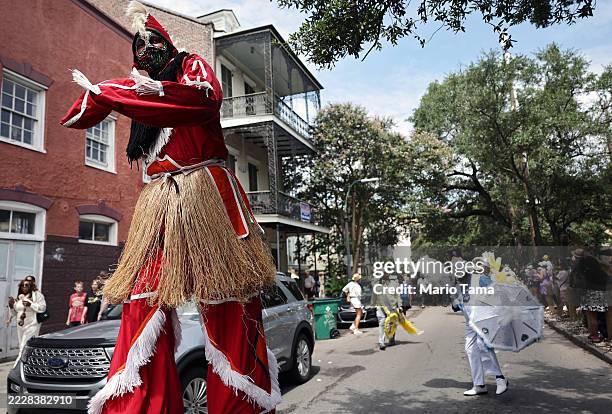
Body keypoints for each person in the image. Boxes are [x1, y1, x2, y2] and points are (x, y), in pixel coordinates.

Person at [61, 3, 279, 413]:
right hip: (159, 202)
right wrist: (103, 92)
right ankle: (143, 406)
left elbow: (205, 100)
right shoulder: (142, 97)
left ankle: (241, 404)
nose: (146, 53)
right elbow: (86, 112)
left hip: (207, 196)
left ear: (169, 44)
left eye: (153, 43)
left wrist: (146, 91)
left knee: (227, 302)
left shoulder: (190, 70)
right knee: (141, 300)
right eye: (138, 48)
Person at [453, 260, 508, 397]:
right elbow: (455, 306)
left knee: (482, 345)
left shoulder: (480, 279)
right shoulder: (458, 286)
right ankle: (479, 385)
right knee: (470, 350)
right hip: (470, 321)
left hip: (484, 318)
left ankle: (500, 379)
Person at [570, 249, 610, 343]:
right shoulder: (599, 267)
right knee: (597, 315)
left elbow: (577, 280)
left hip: (589, 292)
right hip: (600, 292)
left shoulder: (582, 266)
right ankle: (596, 334)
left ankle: (594, 335)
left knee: (591, 315)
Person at [7, 277, 46, 366]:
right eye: (22, 285)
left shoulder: (37, 295)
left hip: (32, 324)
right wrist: (11, 306)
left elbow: (42, 308)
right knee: (24, 346)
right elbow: (14, 313)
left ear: (31, 286)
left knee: (24, 346)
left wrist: (31, 304)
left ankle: (17, 367)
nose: (24, 287)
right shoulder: (19, 297)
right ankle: (31, 365)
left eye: (26, 285)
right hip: (21, 325)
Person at [372, 274, 402, 350]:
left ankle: (391, 339)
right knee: (382, 324)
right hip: (381, 307)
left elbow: (397, 295)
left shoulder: (394, 284)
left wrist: (400, 306)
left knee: (392, 324)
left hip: (392, 307)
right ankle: (381, 342)